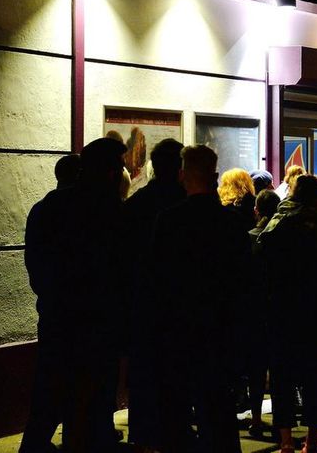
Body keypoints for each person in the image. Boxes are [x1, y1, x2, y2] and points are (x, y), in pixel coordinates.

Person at [21, 138, 127, 453]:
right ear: (109, 173)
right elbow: (122, 271)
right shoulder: (112, 212)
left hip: (57, 320)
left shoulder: (47, 208)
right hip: (100, 327)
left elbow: (37, 267)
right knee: (93, 406)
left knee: (49, 399)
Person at [152, 145, 248, 453]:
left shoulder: (169, 222)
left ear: (182, 176)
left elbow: (158, 280)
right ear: (215, 176)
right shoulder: (231, 224)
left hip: (179, 330)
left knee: (177, 411)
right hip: (221, 330)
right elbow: (243, 282)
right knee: (219, 412)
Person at [256, 175, 317, 453]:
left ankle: (285, 440)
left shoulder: (278, 221)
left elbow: (261, 258)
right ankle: (313, 440)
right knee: (312, 378)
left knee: (282, 378)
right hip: (314, 311)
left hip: (280, 310)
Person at [123, 138, 186, 451]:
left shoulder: (136, 205)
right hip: (181, 311)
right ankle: (175, 433)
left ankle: (143, 435)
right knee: (176, 380)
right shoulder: (187, 207)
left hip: (143, 308)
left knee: (145, 376)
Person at [245, 189, 280, 439]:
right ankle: (281, 421)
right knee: (279, 370)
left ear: (256, 210)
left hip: (253, 312)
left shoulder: (248, 239)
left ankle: (256, 419)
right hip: (278, 310)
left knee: (255, 370)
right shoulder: (284, 239)